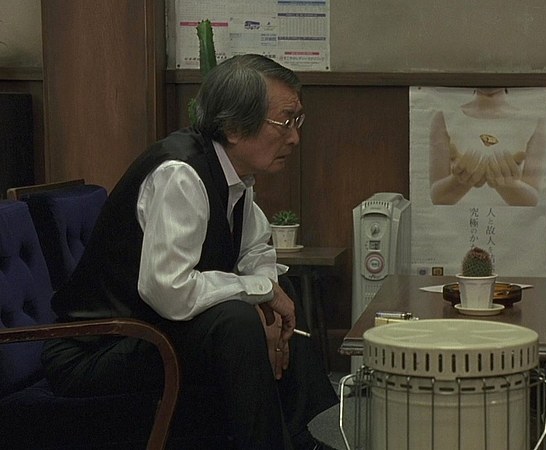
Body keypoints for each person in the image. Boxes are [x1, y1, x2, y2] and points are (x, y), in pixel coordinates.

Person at [41, 54, 338, 449]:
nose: (295, 137)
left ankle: (307, 441)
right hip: (94, 350)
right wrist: (260, 294)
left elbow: (256, 251)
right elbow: (169, 290)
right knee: (236, 319)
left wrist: (267, 300)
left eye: (297, 121)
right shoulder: (180, 174)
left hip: (148, 334)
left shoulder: (235, 176)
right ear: (234, 127)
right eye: (285, 122)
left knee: (281, 311)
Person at [429, 87, 546, 206]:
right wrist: (459, 181)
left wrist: (507, 184)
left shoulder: (532, 121)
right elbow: (436, 197)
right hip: (460, 217)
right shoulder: (445, 118)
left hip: (509, 218)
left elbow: (534, 200)